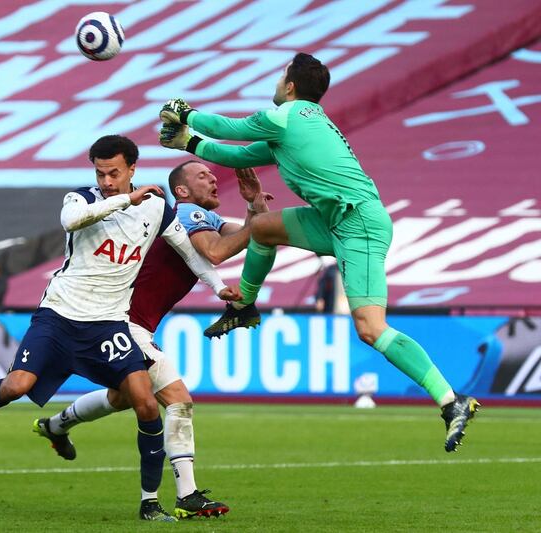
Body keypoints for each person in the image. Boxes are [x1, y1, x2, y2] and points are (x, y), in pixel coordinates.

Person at [158, 52, 480, 453]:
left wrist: (186, 114)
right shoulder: (296, 125)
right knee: (262, 226)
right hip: (337, 218)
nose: (277, 83)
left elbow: (232, 129)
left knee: (370, 328)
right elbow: (236, 156)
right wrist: (187, 142)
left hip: (357, 224)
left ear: (290, 87)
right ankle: (244, 307)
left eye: (280, 77)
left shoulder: (287, 115)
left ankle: (451, 401)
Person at [0, 135, 240, 522]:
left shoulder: (156, 207)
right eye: (100, 172)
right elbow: (70, 221)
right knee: (16, 386)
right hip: (58, 315)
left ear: (132, 169)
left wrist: (218, 286)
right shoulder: (83, 198)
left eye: (114, 173)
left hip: (108, 324)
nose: (106, 180)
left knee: (143, 400)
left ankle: (150, 503)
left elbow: (190, 252)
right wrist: (126, 198)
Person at [33, 161, 272, 519]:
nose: (212, 179)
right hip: (124, 323)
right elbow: (218, 252)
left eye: (211, 174)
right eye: (202, 175)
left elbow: (254, 236)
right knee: (178, 399)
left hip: (130, 323)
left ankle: (56, 424)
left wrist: (255, 208)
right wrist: (261, 222)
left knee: (122, 397)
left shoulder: (206, 220)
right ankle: (187, 495)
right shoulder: (188, 214)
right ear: (182, 192)